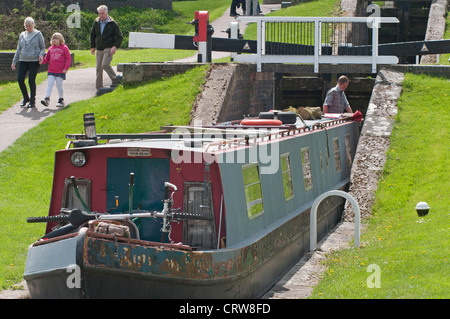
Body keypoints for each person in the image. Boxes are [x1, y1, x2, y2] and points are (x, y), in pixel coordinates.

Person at [11, 17, 45, 108]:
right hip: (23, 60)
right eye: (26, 25)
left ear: (33, 25)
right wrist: (14, 61)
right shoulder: (22, 35)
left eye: (30, 25)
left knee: (31, 80)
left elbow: (43, 47)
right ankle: (26, 98)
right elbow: (18, 49)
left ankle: (32, 101)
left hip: (34, 61)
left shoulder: (38, 34)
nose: (28, 27)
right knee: (20, 79)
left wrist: (41, 55)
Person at [90, 5, 123, 90]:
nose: (101, 15)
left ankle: (115, 79)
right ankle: (99, 88)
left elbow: (119, 36)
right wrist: (92, 46)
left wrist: (115, 46)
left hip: (109, 47)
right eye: (99, 13)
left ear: (107, 12)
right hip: (99, 48)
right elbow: (92, 35)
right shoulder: (96, 22)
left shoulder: (113, 23)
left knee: (105, 64)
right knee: (98, 68)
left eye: (102, 13)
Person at [40, 33, 72, 107]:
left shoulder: (64, 48)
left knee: (58, 85)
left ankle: (61, 100)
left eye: (56, 39)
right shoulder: (51, 48)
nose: (54, 40)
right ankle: (47, 99)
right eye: (53, 38)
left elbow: (68, 59)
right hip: (51, 70)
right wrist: (42, 61)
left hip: (60, 71)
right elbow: (47, 59)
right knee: (50, 84)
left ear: (60, 40)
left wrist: (66, 68)